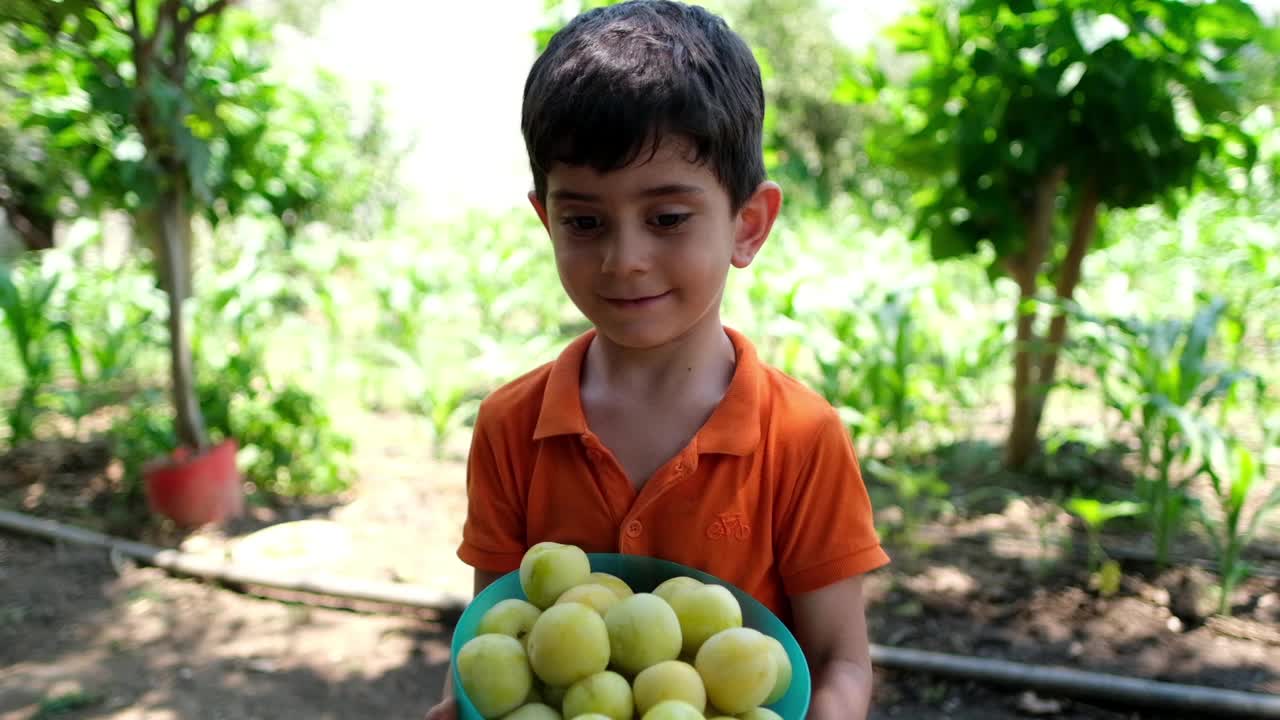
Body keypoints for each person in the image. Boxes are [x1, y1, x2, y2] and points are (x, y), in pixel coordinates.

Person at [425, 2, 889, 718]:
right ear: (547, 221)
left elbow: (839, 661)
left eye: (667, 219)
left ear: (749, 225)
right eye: (584, 221)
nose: (625, 260)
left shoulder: (800, 437)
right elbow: (497, 637)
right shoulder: (511, 427)